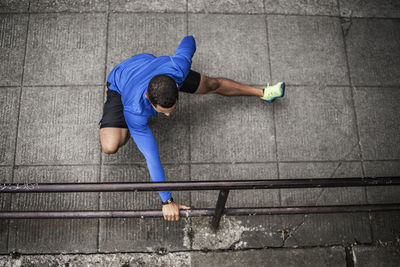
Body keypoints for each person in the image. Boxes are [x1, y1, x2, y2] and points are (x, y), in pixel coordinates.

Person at [99, 36, 285, 222]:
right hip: (122, 82)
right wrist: (167, 201)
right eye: (162, 112)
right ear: (148, 97)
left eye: (171, 110)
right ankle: (124, 125)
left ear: (177, 84)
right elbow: (151, 156)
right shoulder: (134, 111)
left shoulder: (178, 67)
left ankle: (263, 93)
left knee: (212, 84)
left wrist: (188, 43)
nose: (168, 115)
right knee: (112, 144)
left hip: (151, 66)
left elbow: (189, 40)